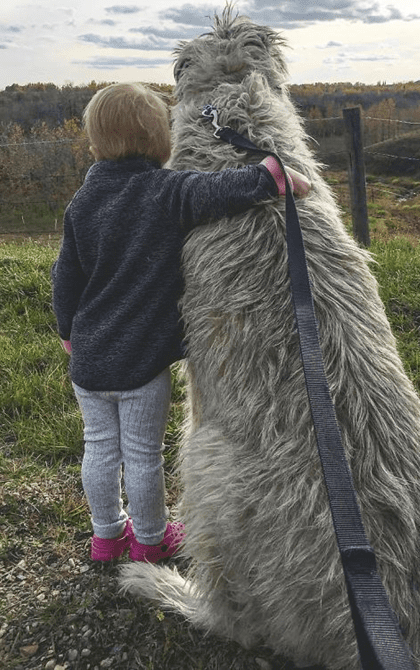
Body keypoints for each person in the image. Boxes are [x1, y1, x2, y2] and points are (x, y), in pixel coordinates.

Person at [51, 82, 310, 563]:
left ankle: (106, 538)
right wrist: (270, 175)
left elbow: (65, 277)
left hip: (88, 362)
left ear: (95, 144)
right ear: (161, 141)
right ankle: (150, 541)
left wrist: (68, 332)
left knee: (100, 449)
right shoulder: (164, 191)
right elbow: (215, 190)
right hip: (141, 366)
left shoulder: (82, 204)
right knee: (143, 455)